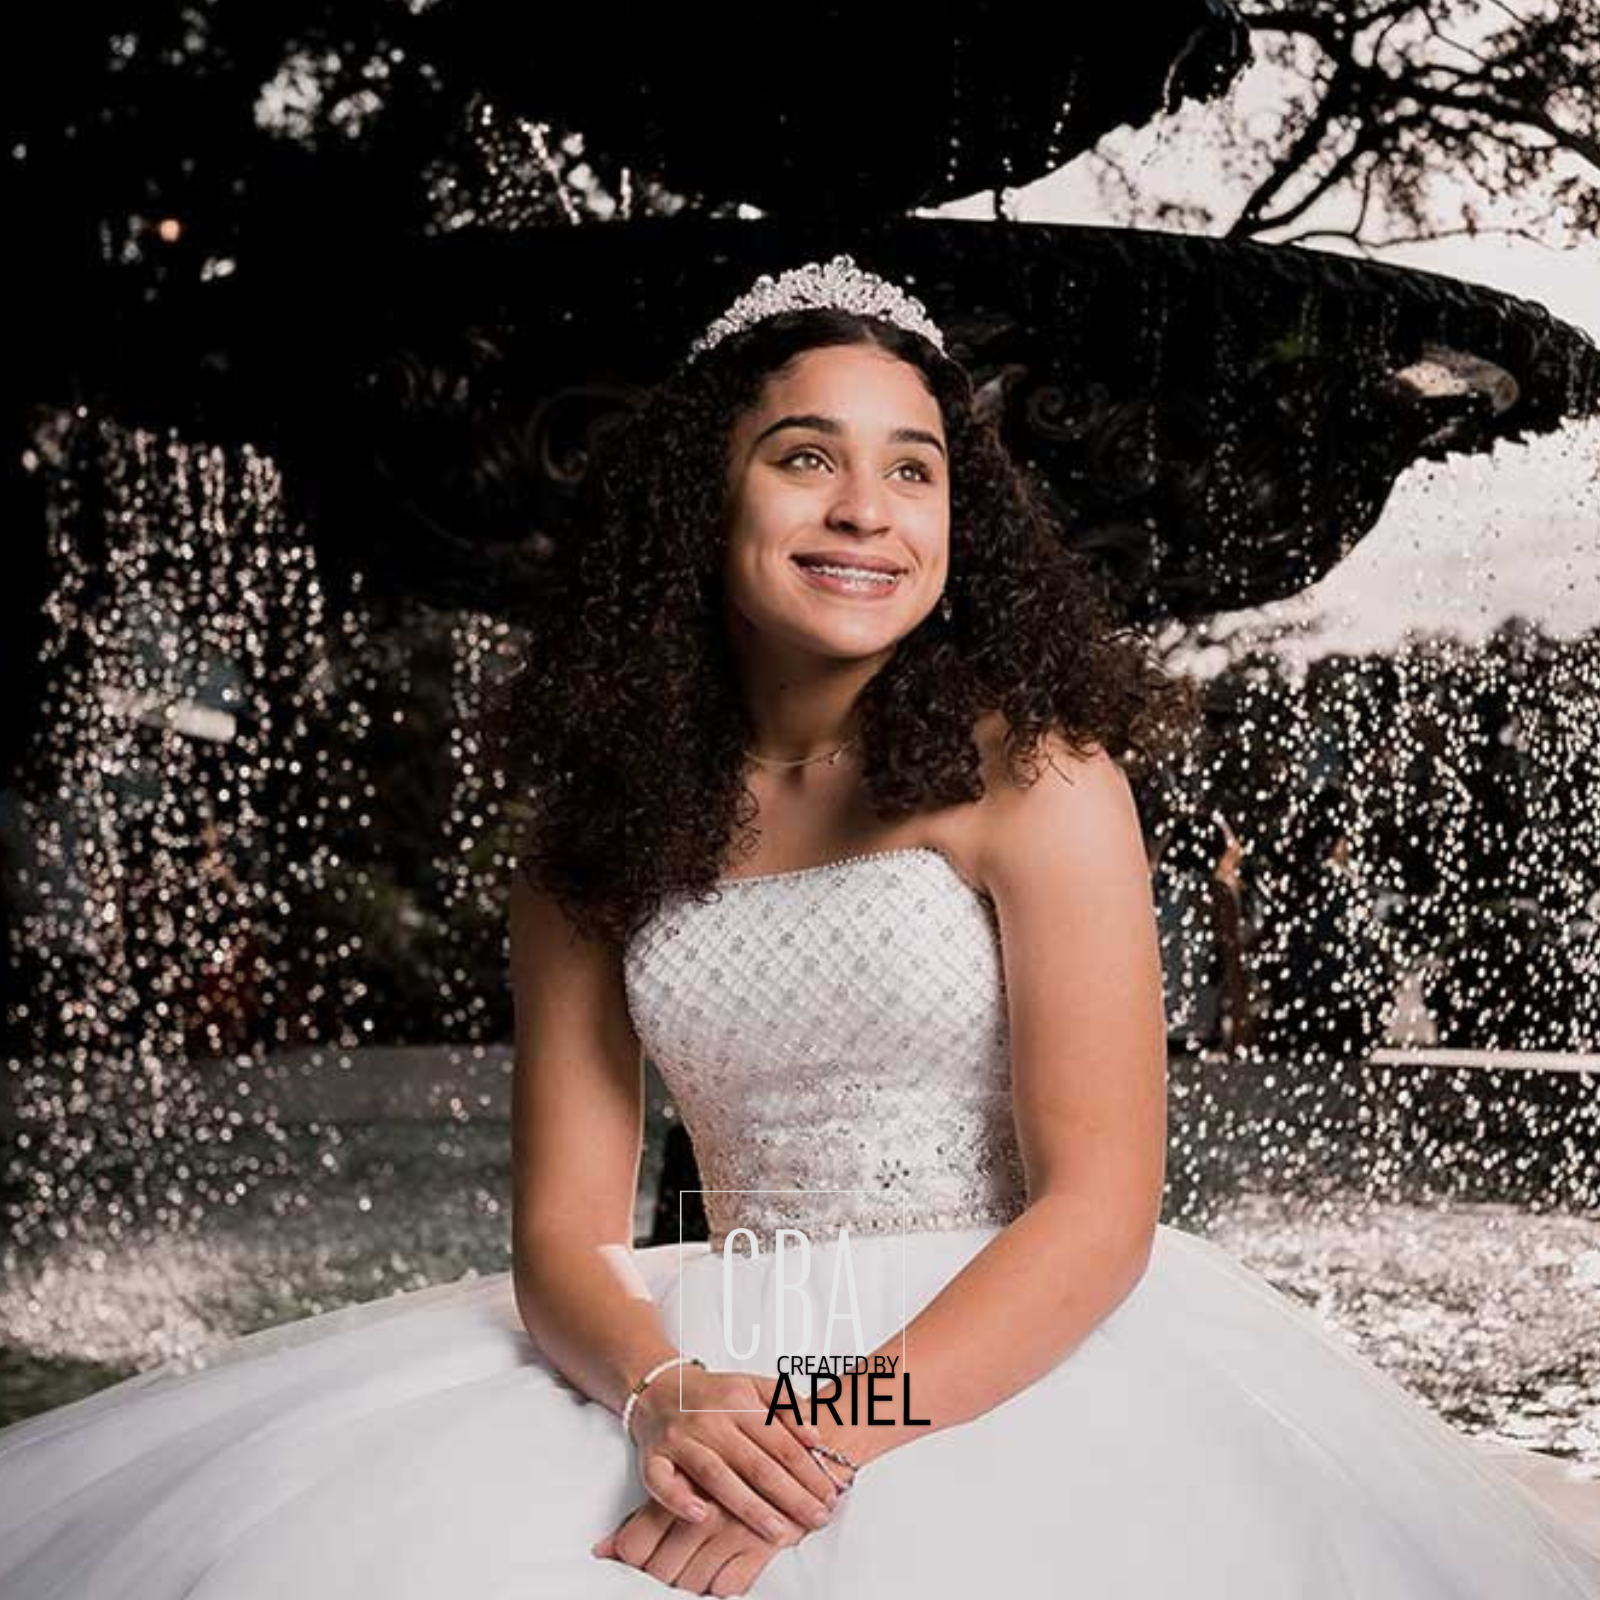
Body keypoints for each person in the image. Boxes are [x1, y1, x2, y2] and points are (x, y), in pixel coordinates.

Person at [0, 257, 1597, 1598]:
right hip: (696, 1353)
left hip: (999, 1344)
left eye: (915, 466)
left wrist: (822, 1438)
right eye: (805, 456)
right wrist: (673, 1392)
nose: (868, 510)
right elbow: (562, 1233)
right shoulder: (589, 834)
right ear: (709, 492)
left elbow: (1100, 1204)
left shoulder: (1035, 773)